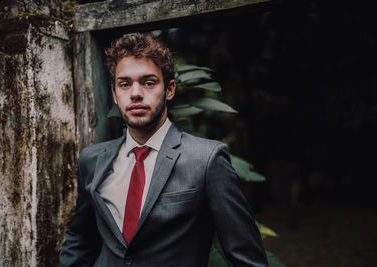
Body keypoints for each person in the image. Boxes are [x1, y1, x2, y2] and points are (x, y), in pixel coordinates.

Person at [59, 33, 267, 267]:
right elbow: (80, 238)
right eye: (124, 84)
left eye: (148, 82)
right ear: (114, 94)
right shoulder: (91, 159)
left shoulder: (207, 160)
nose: (135, 93)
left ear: (169, 90)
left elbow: (248, 260)